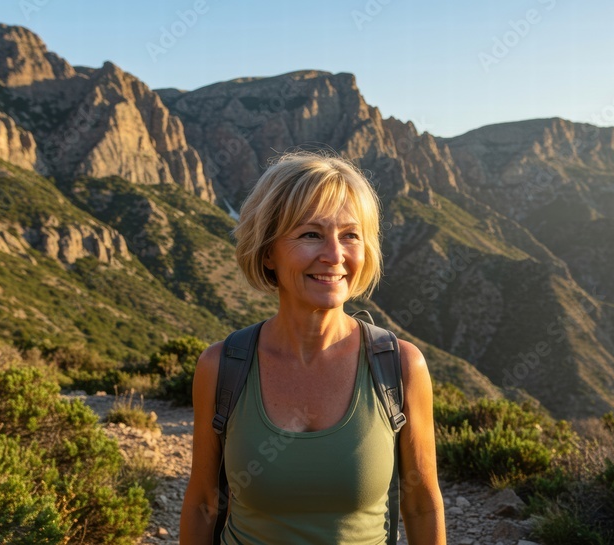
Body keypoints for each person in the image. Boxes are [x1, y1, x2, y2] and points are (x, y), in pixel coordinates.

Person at [179, 151, 445, 544]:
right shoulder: (222, 367)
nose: (335, 255)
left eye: (350, 235)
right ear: (268, 251)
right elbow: (204, 502)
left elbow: (422, 504)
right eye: (310, 234)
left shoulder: (401, 367)